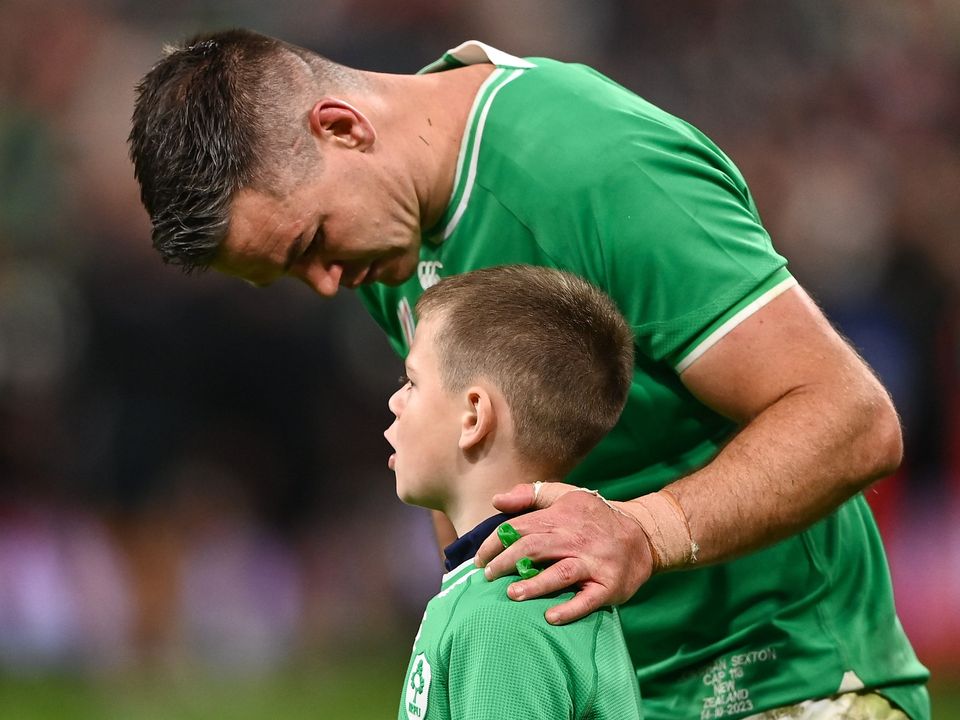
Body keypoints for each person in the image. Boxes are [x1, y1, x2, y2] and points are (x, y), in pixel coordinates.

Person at [128, 29, 930, 719]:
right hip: (610, 687)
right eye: (292, 273)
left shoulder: (594, 166)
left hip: (789, 682)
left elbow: (853, 416)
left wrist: (644, 531)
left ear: (341, 127)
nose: (327, 284)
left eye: (310, 245)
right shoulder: (385, 235)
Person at [384, 264, 642, 720]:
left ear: (473, 417)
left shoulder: (506, 616)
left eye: (412, 382)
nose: (395, 401)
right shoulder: (500, 592)